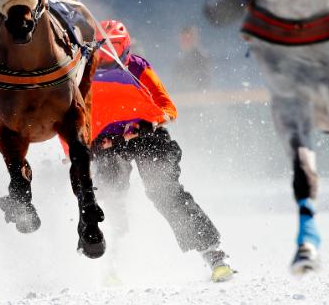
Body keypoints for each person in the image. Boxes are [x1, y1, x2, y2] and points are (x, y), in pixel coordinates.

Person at [90, 20, 234, 282]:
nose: (107, 55)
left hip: (147, 138)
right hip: (110, 143)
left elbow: (168, 107)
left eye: (114, 47)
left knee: (164, 191)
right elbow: (76, 115)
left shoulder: (137, 67)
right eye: (101, 48)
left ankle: (214, 254)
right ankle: (111, 265)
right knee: (109, 198)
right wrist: (92, 144)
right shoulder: (87, 72)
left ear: (126, 46)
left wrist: (145, 123)